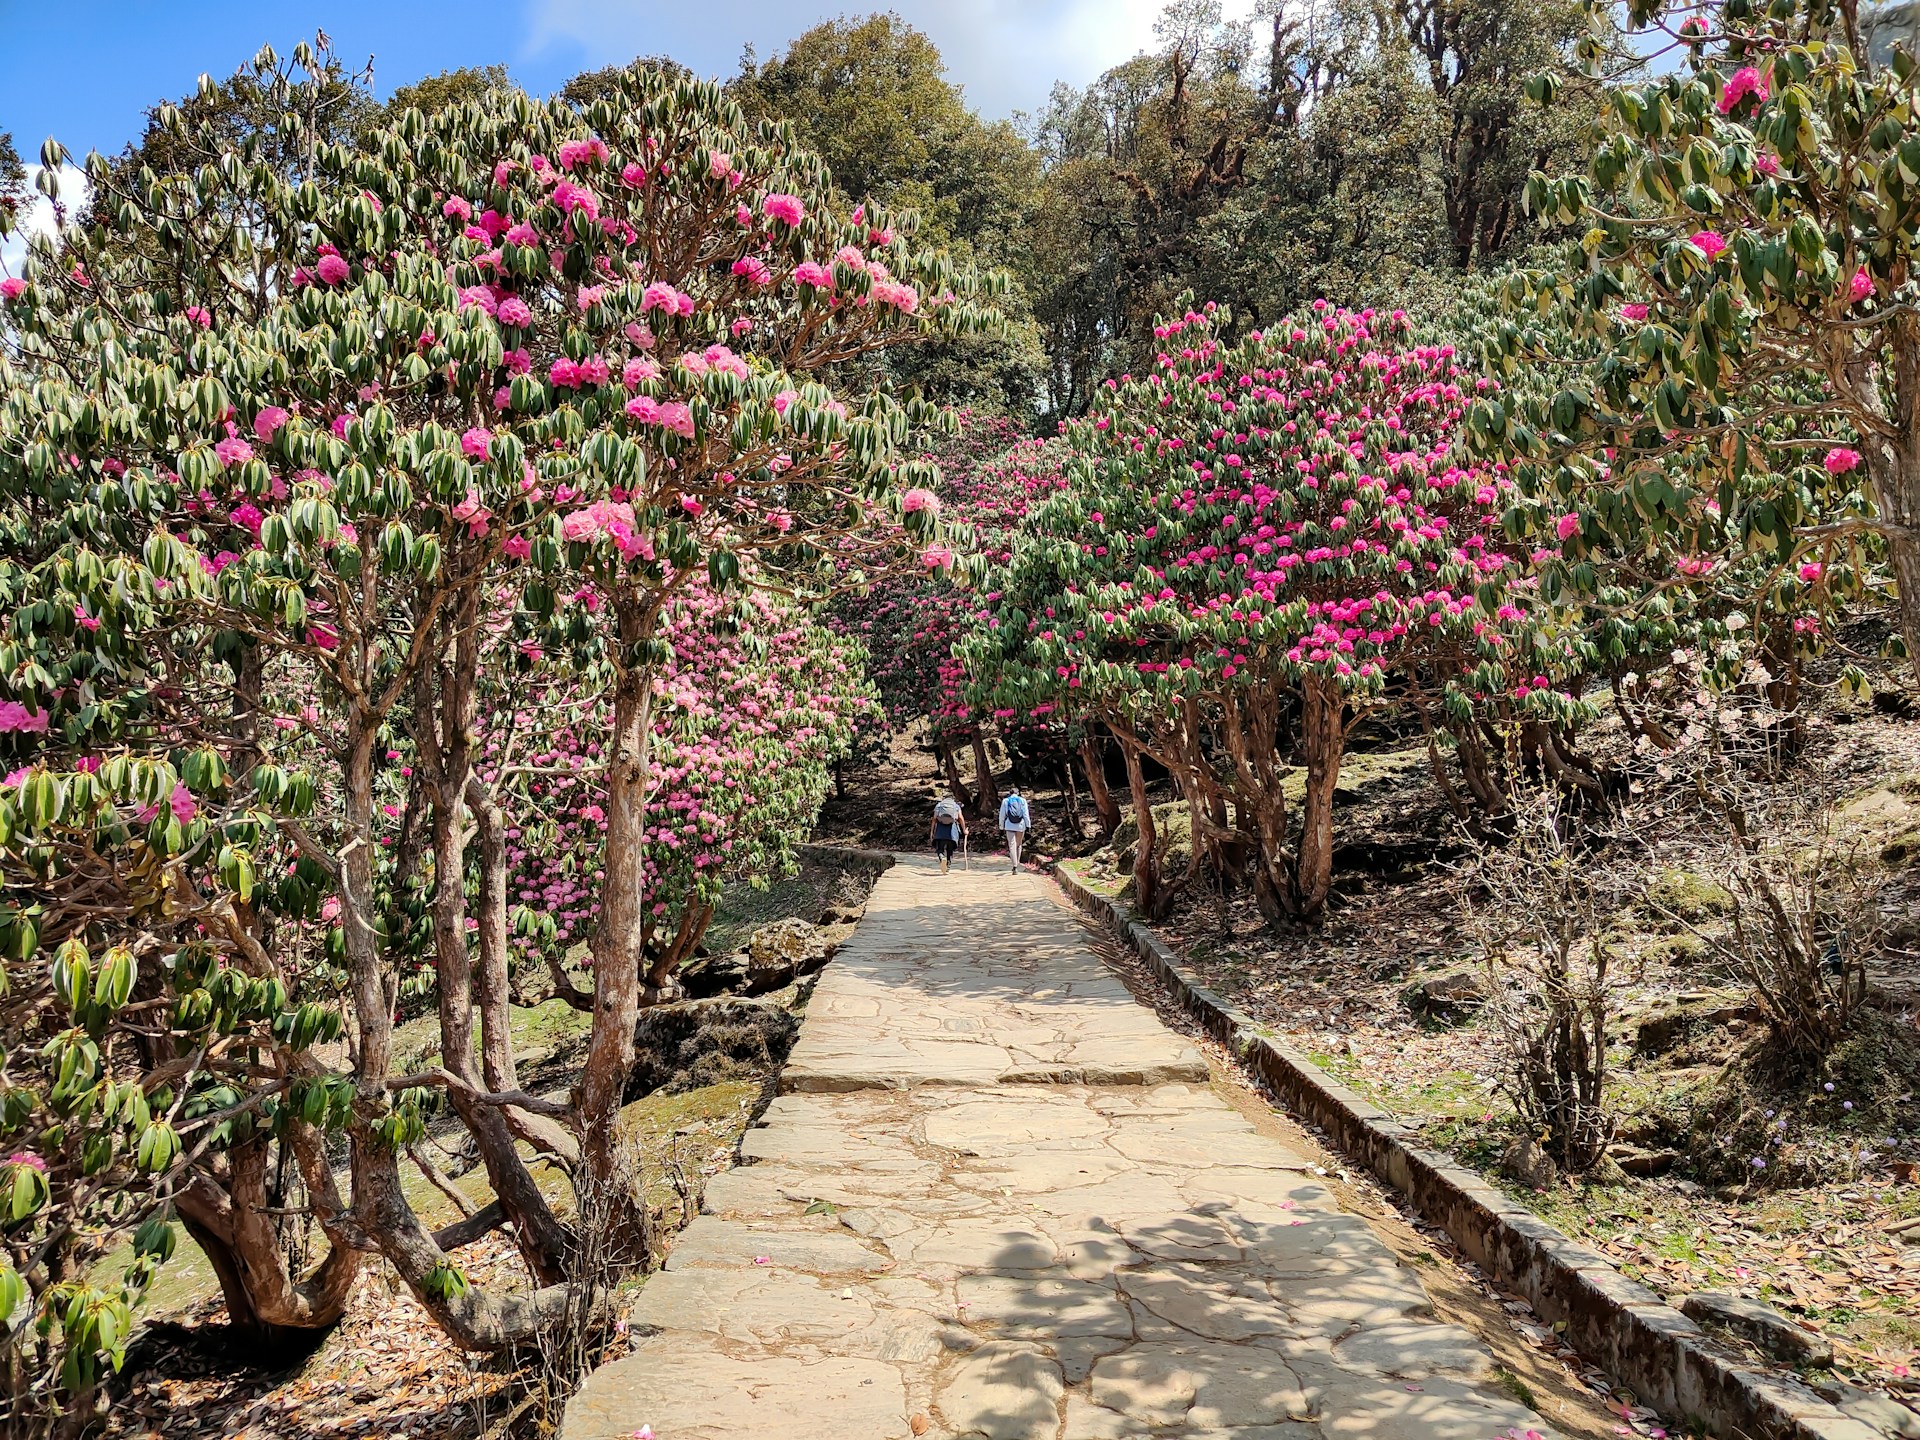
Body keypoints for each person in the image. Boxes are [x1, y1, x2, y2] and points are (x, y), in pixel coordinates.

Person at [929, 792, 968, 874]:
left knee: (940, 849)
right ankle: (948, 866)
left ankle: (942, 857)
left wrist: (932, 832)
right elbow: (960, 818)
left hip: (940, 832)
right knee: (950, 850)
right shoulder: (956, 806)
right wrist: (964, 830)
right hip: (952, 832)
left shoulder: (939, 805)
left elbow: (934, 819)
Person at [998, 786, 1030, 873]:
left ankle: (1014, 865)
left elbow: (1002, 815)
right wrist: (1028, 826)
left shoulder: (1005, 801)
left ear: (1010, 793)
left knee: (1012, 845)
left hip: (1009, 825)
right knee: (1019, 844)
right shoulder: (1023, 800)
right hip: (1020, 825)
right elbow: (1026, 814)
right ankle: (1018, 862)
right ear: (1018, 793)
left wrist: (1001, 827)